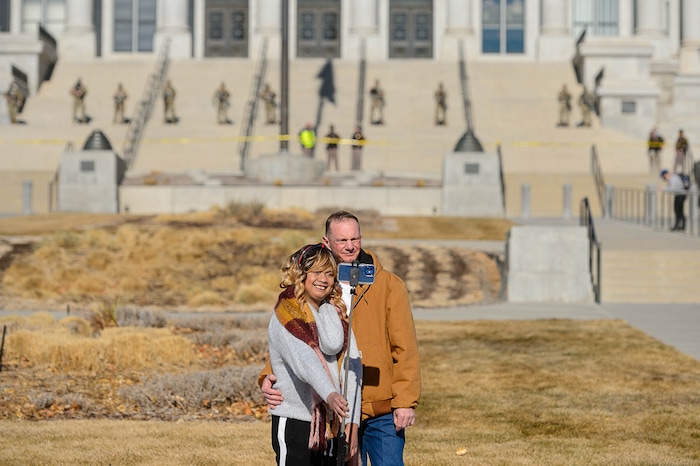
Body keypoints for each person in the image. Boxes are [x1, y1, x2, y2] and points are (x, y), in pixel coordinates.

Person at [261, 211, 421, 466]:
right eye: (342, 240)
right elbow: (298, 338)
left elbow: (405, 348)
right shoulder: (318, 286)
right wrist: (269, 374)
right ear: (326, 241)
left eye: (355, 239)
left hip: (380, 408)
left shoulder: (389, 285)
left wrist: (405, 401)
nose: (350, 246)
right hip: (333, 410)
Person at [268, 243, 362, 465]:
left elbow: (354, 369)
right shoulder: (286, 314)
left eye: (330, 273)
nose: (324, 279)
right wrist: (330, 394)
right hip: (295, 421)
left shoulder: (338, 316)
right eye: (317, 272)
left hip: (330, 423)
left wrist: (352, 423)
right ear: (302, 274)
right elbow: (305, 361)